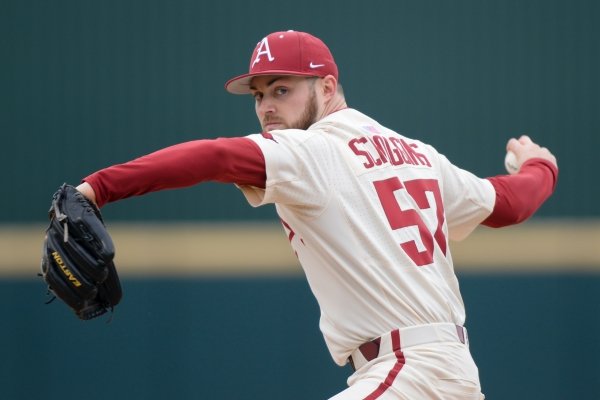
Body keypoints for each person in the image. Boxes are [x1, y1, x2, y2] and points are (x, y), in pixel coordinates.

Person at [75, 30, 558, 399]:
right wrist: (541, 165)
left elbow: (213, 157)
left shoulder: (312, 150)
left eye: (281, 89)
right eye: (259, 94)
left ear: (327, 88)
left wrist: (97, 188)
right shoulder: (419, 155)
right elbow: (509, 202)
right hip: (442, 372)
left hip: (409, 375)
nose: (265, 106)